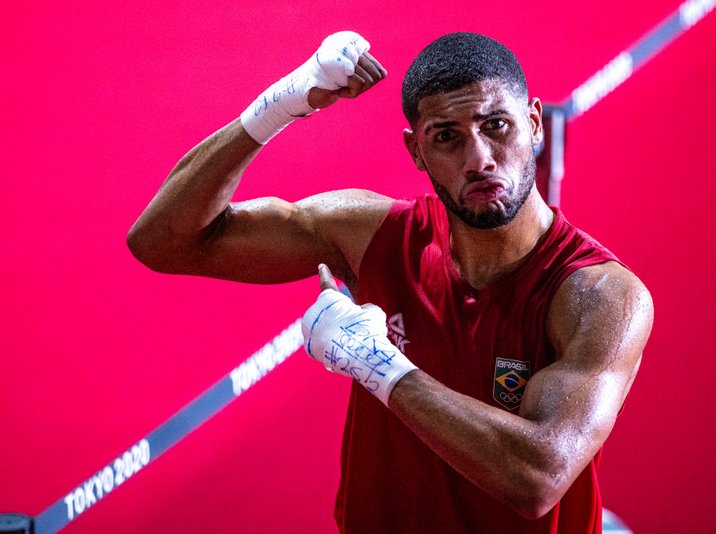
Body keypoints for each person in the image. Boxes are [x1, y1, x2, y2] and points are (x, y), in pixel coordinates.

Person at [128, 31, 654, 533]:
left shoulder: (597, 296)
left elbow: (537, 477)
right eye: (446, 137)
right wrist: (282, 103)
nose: (479, 160)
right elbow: (163, 241)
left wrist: (377, 365)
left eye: (497, 125)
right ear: (416, 152)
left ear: (534, 124)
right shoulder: (374, 236)